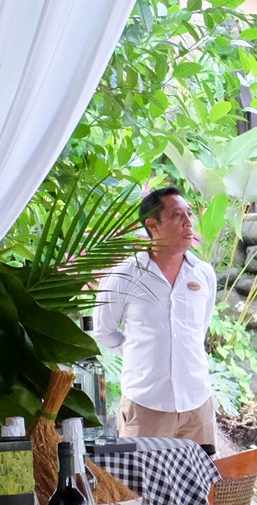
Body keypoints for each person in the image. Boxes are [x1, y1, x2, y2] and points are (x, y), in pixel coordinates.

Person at [94, 186, 220, 447]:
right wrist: (141, 354)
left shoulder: (203, 273)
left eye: (189, 214)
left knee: (200, 487)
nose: (188, 222)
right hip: (145, 406)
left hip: (198, 405)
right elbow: (103, 331)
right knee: (139, 487)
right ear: (153, 225)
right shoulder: (124, 275)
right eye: (176, 215)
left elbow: (199, 330)